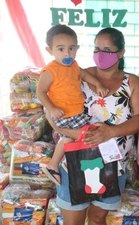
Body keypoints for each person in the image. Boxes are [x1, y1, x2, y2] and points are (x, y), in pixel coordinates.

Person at [45, 27, 139, 225]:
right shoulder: (74, 75)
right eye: (97, 49)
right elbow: (49, 109)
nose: (101, 55)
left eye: (107, 50)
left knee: (98, 218)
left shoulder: (132, 82)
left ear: (121, 52)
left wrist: (111, 132)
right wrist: (64, 131)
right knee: (73, 219)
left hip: (112, 164)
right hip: (74, 162)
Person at [37, 24, 109, 185]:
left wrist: (98, 84)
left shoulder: (74, 66)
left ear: (77, 48)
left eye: (71, 48)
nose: (67, 53)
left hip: (76, 113)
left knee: (87, 133)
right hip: (63, 114)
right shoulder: (50, 71)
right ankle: (54, 165)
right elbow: (40, 92)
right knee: (77, 137)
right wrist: (51, 108)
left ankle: (68, 163)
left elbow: (85, 75)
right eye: (60, 49)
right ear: (50, 50)